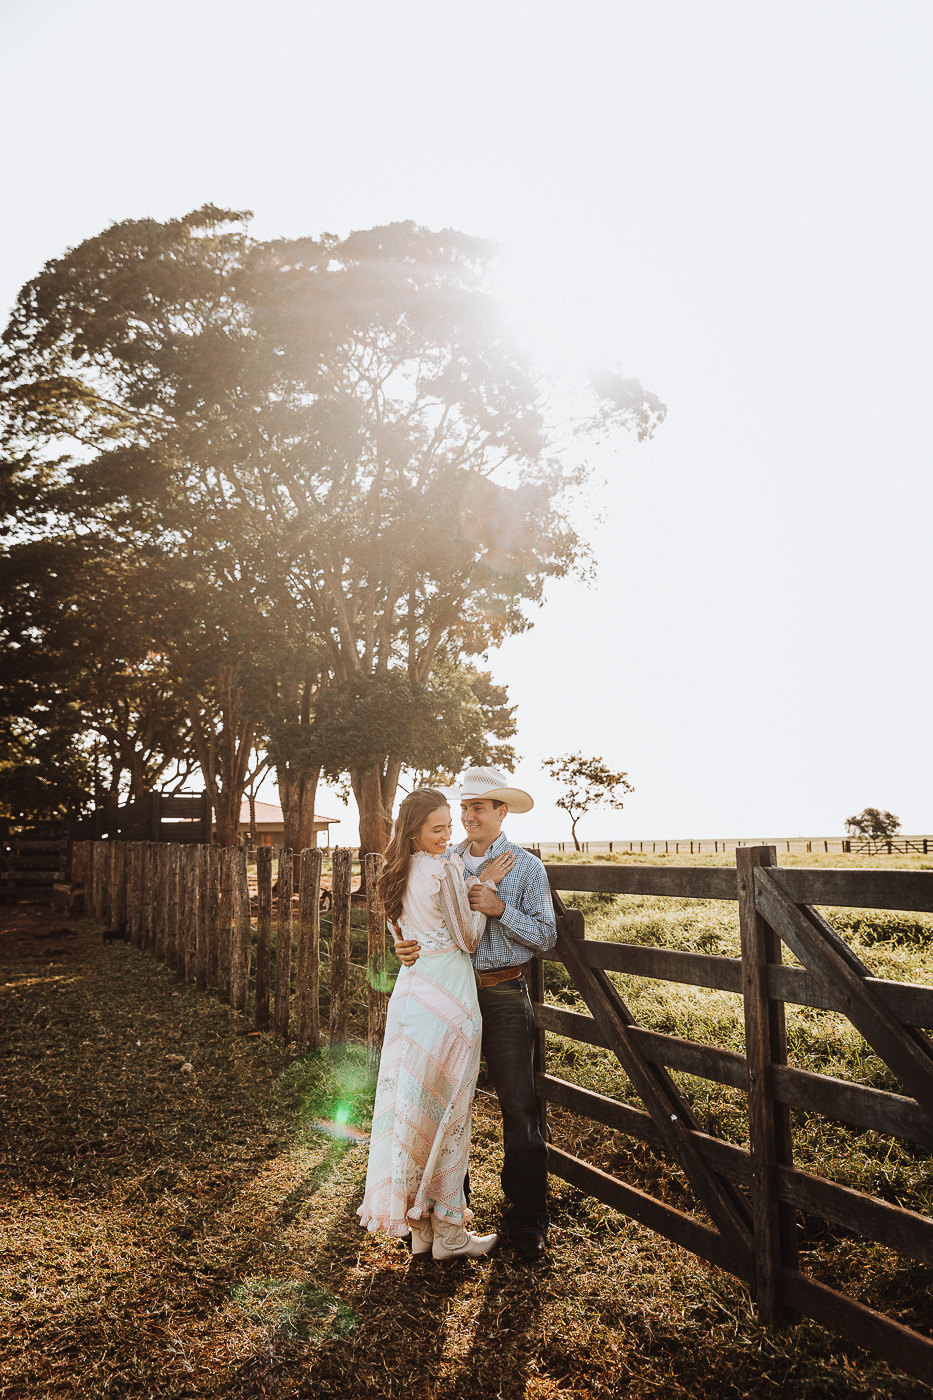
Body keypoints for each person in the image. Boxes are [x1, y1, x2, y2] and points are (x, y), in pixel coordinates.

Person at [394, 766, 557, 1262]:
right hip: (452, 997)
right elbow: (411, 908)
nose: (467, 817)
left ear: (502, 812)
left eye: (478, 808)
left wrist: (498, 906)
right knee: (445, 1105)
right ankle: (446, 1213)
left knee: (518, 1106)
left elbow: (547, 936)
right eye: (463, 808)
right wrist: (402, 946)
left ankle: (528, 1217)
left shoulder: (527, 868)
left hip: (504, 995)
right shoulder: (443, 858)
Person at [357, 787, 514, 1260]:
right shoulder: (444, 869)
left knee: (415, 1109)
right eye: (438, 828)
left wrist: (410, 944)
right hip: (451, 1001)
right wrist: (480, 886)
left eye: (450, 826)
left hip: (411, 1000)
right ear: (415, 830)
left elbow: (400, 934)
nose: (448, 835)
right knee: (450, 1112)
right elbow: (467, 937)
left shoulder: (395, 871)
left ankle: (421, 1229)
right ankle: (449, 1231)